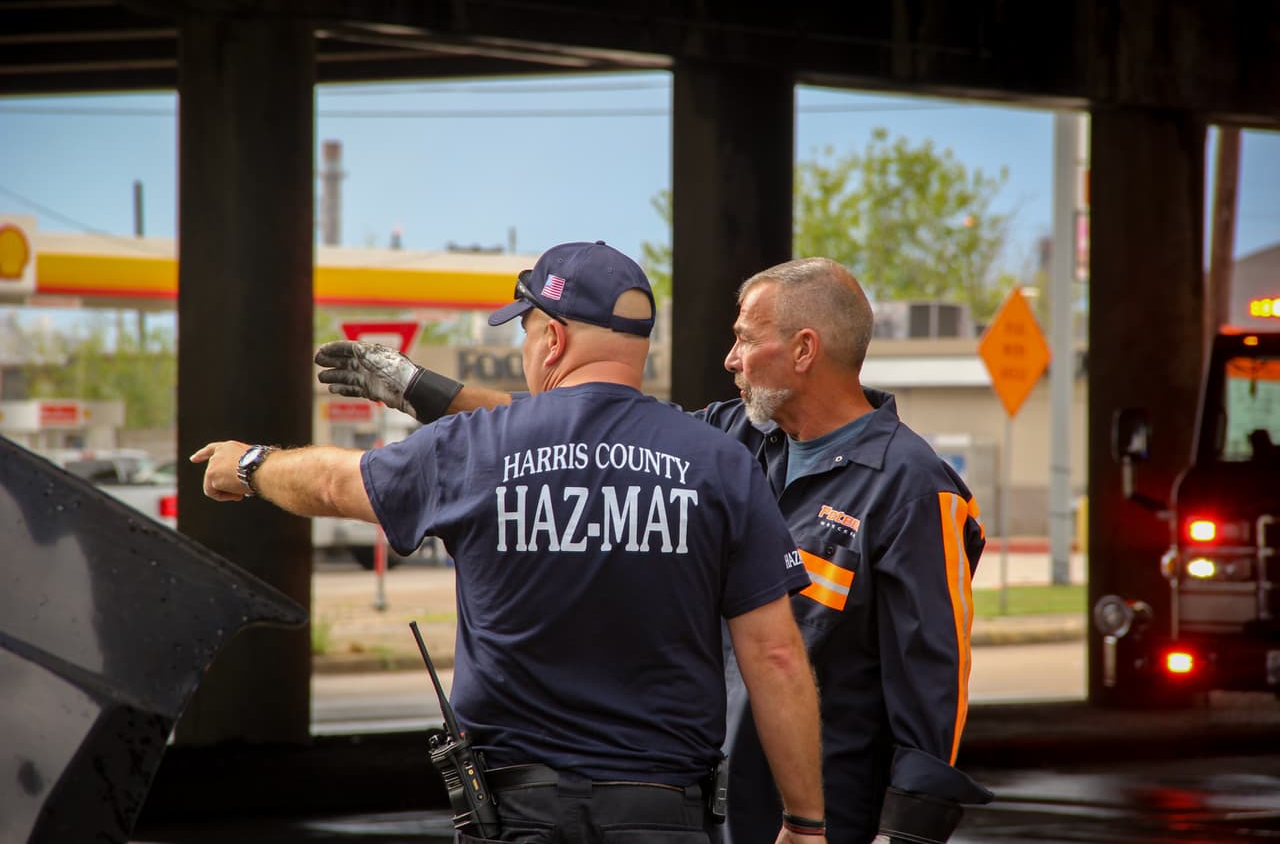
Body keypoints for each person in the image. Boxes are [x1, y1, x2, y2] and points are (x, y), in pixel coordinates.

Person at [316, 256, 993, 843]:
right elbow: (571, 430)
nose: (728, 359)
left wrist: (904, 833)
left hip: (825, 820)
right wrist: (418, 388)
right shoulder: (732, 439)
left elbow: (933, 687)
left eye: (744, 340)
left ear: (805, 351)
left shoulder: (912, 489)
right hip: (713, 809)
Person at [195, 240, 828, 844]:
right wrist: (805, 821)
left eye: (526, 332)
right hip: (664, 812)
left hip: (516, 813)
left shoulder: (476, 446)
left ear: (553, 339)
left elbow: (335, 485)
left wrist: (250, 464)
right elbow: (776, 657)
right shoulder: (719, 463)